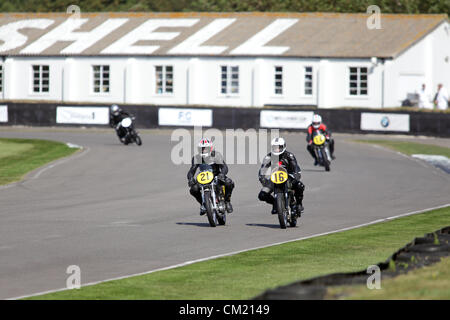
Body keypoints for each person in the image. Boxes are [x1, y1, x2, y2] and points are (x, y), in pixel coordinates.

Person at [258, 137, 305, 215]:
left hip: (289, 177)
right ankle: (275, 203)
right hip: (274, 178)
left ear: (283, 146)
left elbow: (295, 167)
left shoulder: (289, 156)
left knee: (300, 186)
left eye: (279, 147)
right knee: (262, 195)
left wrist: (296, 175)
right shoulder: (268, 157)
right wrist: (262, 177)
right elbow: (263, 168)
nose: (277, 149)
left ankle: (299, 204)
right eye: (275, 148)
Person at [187, 138, 234, 215]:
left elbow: (224, 167)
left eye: (206, 148)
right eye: (202, 148)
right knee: (193, 189)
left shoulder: (216, 155)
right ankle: (203, 204)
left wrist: (222, 174)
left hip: (217, 177)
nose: (204, 150)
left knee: (229, 183)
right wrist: (190, 178)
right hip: (203, 178)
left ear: (210, 148)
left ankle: (227, 201)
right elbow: (192, 170)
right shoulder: (196, 158)